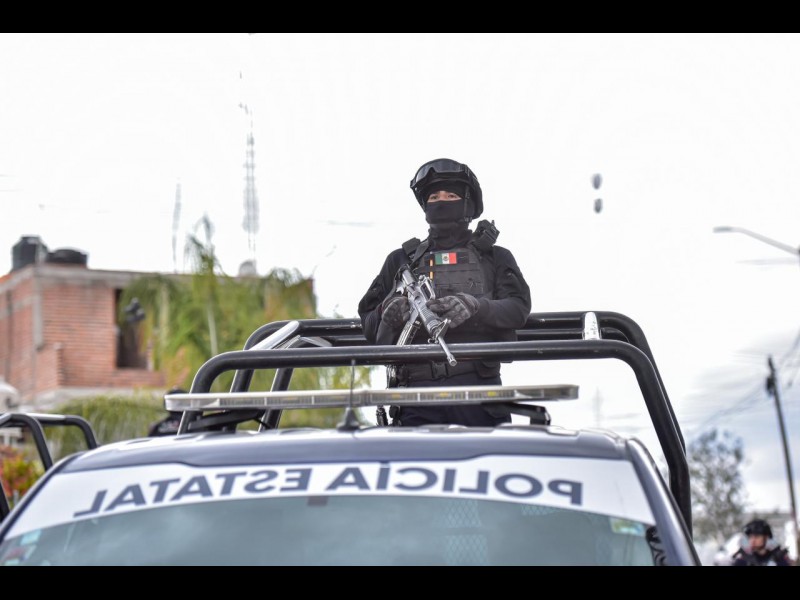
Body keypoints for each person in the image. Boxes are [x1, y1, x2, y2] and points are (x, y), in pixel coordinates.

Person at [358, 158, 532, 426]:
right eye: (434, 196)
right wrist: (387, 312)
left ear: (468, 205)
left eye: (451, 195)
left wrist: (475, 307)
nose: (441, 201)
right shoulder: (401, 261)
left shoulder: (495, 257)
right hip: (415, 396)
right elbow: (368, 325)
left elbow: (518, 308)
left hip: (479, 394)